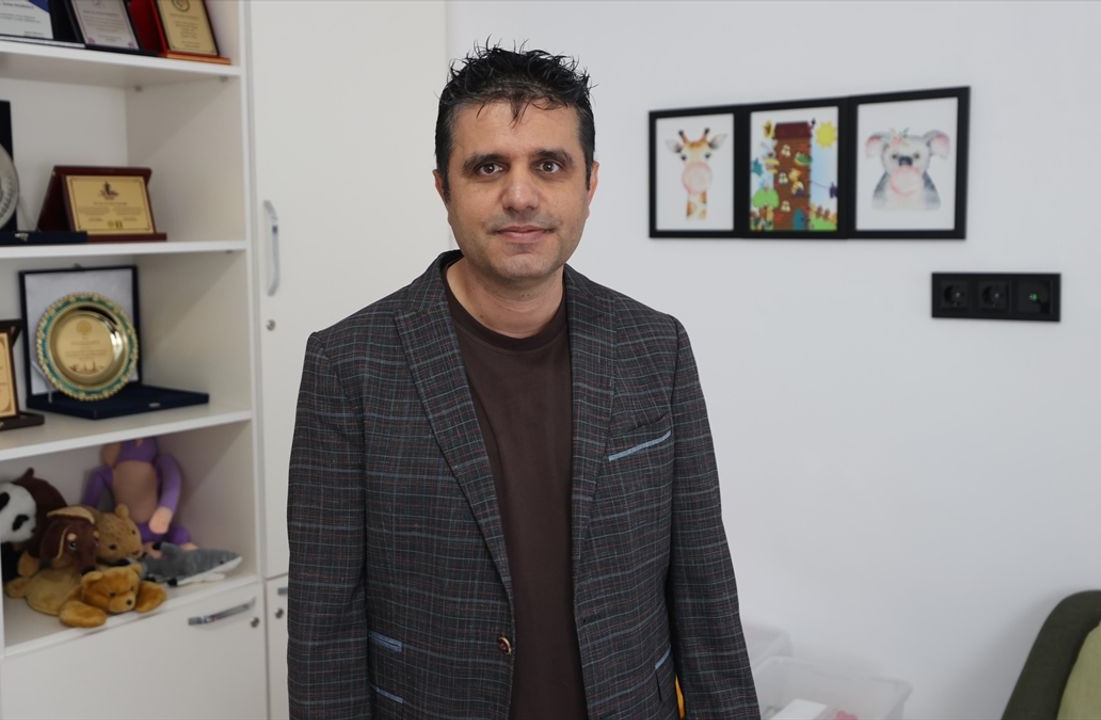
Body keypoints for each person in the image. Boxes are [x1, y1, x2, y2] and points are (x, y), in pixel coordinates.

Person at [287, 45, 758, 720]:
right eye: (488, 167)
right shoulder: (348, 364)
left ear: (589, 185)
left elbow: (705, 590)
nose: (520, 195)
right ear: (444, 189)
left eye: (549, 164)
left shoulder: (658, 348)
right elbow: (324, 627)